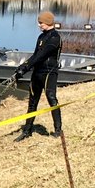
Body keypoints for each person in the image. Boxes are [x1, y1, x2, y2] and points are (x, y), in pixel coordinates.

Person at [12, 11, 62, 142]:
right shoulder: (41, 37)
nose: (39, 25)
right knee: (32, 101)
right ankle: (27, 131)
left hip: (49, 72)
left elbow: (43, 55)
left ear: (48, 22)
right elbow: (35, 55)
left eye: (41, 23)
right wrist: (23, 67)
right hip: (37, 72)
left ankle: (58, 130)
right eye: (39, 23)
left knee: (51, 98)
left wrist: (27, 67)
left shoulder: (55, 38)